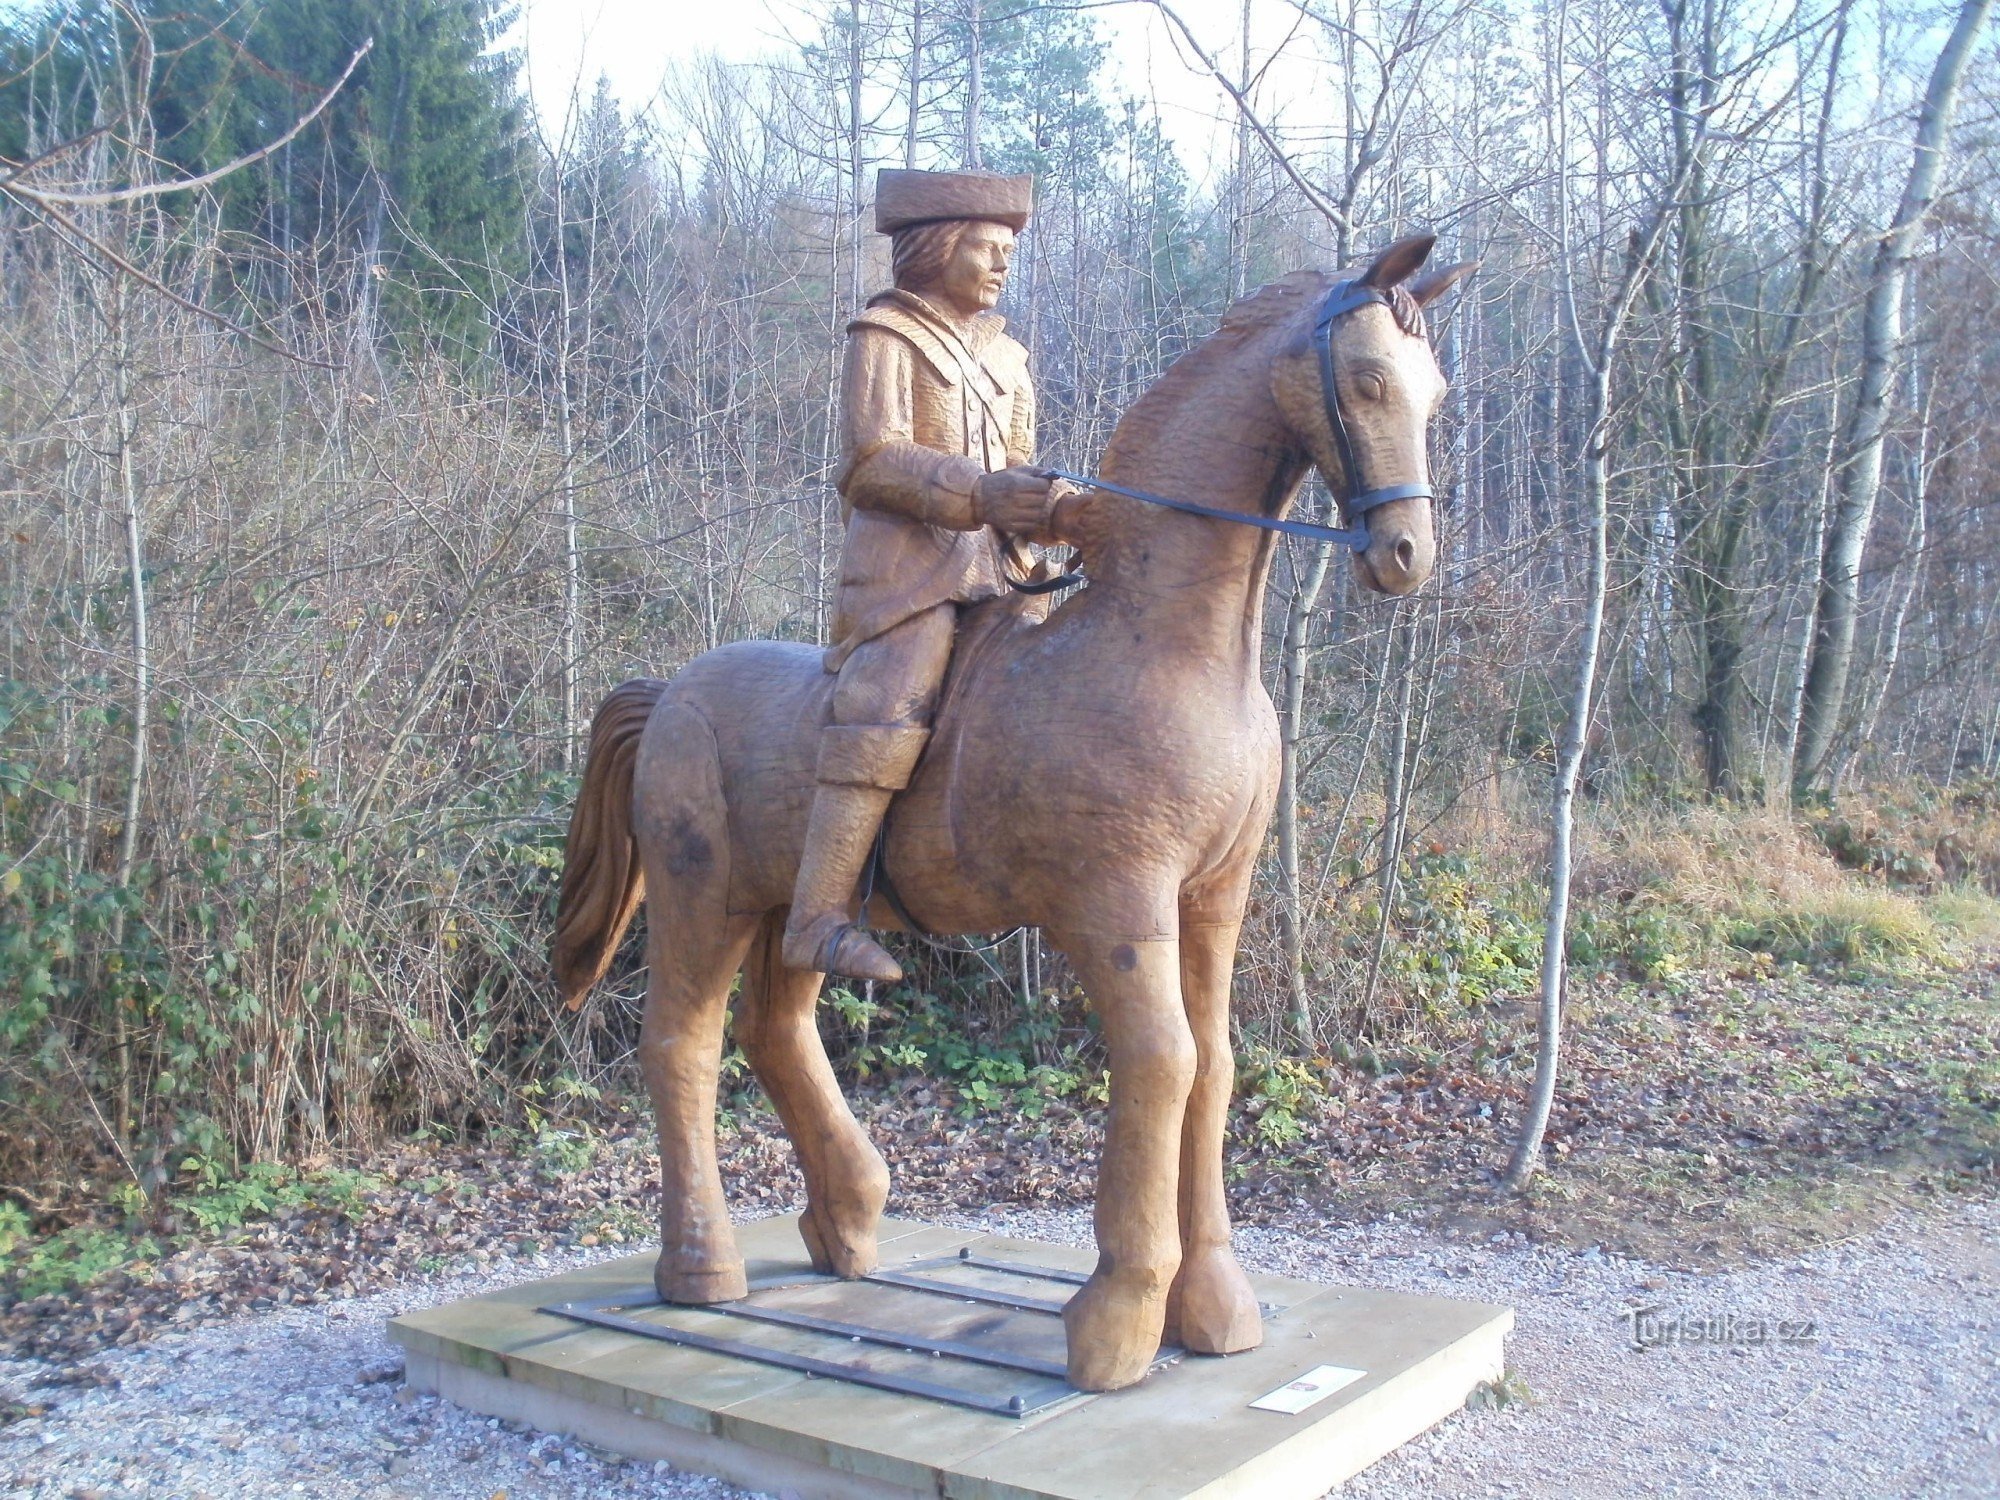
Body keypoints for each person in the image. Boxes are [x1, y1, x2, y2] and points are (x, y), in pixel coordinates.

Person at [782, 168, 1068, 983]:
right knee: (892, 694)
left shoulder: (1009, 355)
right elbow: (872, 462)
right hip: (913, 576)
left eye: (1009, 250)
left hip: (1006, 577)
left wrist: (1056, 508)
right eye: (987, 247)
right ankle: (817, 914)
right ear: (938, 248)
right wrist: (977, 493)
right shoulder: (886, 334)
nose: (1003, 263)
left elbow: (1018, 465)